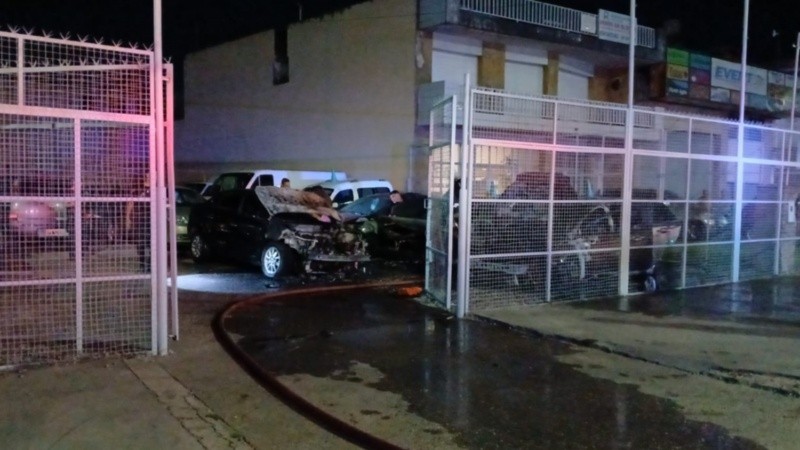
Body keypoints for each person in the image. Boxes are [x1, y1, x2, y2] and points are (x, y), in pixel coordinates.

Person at [125, 174, 151, 272]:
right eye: (147, 175)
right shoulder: (138, 189)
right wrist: (127, 218)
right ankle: (143, 264)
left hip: (152, 219)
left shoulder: (157, 188)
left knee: (152, 243)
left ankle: (150, 265)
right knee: (141, 243)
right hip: (140, 219)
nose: (150, 177)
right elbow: (130, 204)